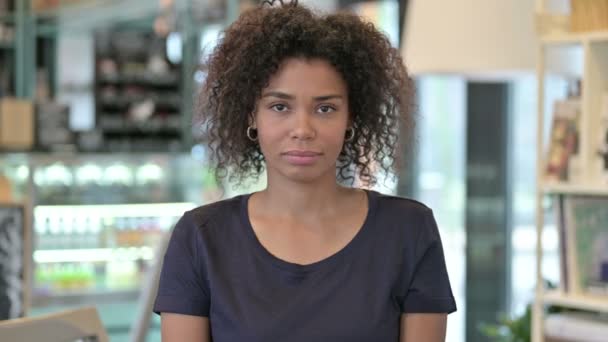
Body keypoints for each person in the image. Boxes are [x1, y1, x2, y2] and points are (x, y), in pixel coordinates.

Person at [153, 1, 456, 341]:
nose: (302, 128)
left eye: (325, 108)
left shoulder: (408, 231)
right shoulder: (200, 238)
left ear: (350, 119)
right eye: (279, 106)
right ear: (252, 115)